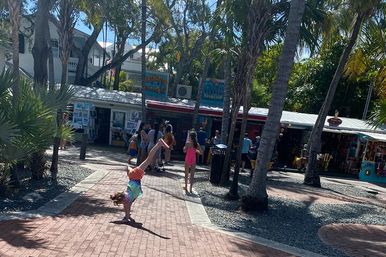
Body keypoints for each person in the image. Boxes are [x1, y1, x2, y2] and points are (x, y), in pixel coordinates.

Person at [110, 139, 170, 222]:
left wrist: (126, 218)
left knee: (149, 159)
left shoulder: (127, 202)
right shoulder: (127, 198)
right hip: (133, 177)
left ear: (122, 200)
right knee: (130, 167)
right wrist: (127, 216)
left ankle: (159, 144)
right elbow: (127, 208)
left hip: (135, 175)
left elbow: (127, 211)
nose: (122, 205)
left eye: (120, 203)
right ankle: (127, 167)